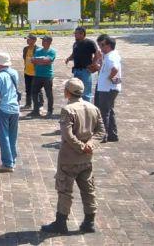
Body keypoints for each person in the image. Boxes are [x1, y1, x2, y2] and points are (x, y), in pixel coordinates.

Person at [41, 78, 105, 234]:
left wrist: (81, 146)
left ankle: (61, 222)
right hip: (86, 159)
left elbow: (68, 135)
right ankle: (89, 222)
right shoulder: (93, 108)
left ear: (67, 92)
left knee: (65, 190)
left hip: (69, 158)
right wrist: (90, 145)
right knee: (88, 189)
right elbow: (101, 131)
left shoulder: (68, 110)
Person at [0, 53, 20, 172]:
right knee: (12, 136)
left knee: (4, 137)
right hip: (15, 108)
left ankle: (7, 163)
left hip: (3, 108)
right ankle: (12, 158)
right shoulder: (14, 73)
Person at [95, 35, 123, 143]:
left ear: (109, 46)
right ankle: (112, 134)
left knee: (104, 112)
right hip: (109, 88)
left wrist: (108, 78)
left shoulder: (111, 56)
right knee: (109, 111)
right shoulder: (109, 55)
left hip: (108, 89)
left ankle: (103, 135)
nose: (100, 48)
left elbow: (114, 69)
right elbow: (105, 68)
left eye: (102, 45)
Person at [65, 27, 102, 102]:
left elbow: (97, 54)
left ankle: (87, 109)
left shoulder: (89, 43)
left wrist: (93, 64)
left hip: (85, 71)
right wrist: (69, 58)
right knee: (76, 90)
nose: (75, 35)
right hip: (76, 70)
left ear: (82, 34)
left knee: (86, 92)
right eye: (75, 33)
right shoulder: (75, 43)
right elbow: (74, 54)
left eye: (76, 33)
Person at [31, 35, 57, 118]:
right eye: (42, 40)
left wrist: (39, 61)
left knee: (49, 94)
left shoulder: (52, 51)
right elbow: (33, 60)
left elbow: (49, 60)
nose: (42, 42)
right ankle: (36, 110)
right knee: (34, 93)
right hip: (38, 75)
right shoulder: (38, 50)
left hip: (47, 76)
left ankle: (50, 111)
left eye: (45, 41)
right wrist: (43, 61)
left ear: (49, 42)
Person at [22, 33, 42, 110]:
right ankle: (28, 104)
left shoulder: (38, 49)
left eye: (29, 39)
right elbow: (24, 58)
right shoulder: (25, 49)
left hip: (36, 73)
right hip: (27, 72)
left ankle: (40, 104)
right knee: (28, 89)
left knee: (37, 89)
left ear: (34, 40)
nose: (27, 40)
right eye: (27, 39)